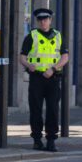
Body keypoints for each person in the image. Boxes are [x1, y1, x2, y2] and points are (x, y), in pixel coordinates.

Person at [19, 8, 69, 152]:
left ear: (50, 20)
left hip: (53, 78)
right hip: (36, 78)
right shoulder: (31, 36)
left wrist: (53, 69)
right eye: (40, 19)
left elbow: (65, 57)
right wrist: (29, 65)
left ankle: (51, 141)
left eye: (45, 19)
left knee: (53, 109)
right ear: (37, 21)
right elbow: (22, 57)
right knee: (36, 109)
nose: (43, 22)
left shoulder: (58, 36)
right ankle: (36, 140)